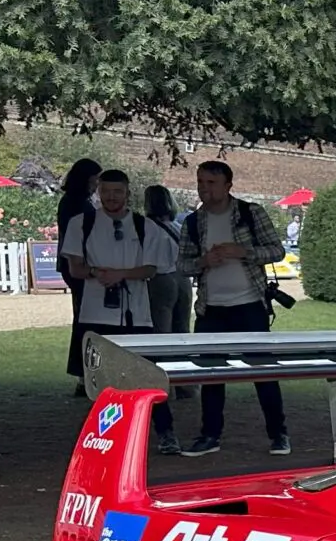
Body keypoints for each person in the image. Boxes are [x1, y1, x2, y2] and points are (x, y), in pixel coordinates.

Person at [64, 170, 185, 453]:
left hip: (137, 314)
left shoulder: (145, 227)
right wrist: (97, 273)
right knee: (101, 382)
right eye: (106, 191)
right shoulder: (81, 224)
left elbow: (151, 269)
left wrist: (120, 275)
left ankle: (165, 433)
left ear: (127, 193)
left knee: (147, 376)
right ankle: (107, 438)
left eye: (117, 192)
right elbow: (75, 268)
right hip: (95, 315)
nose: (111, 197)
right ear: (99, 192)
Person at [177, 160, 290, 456]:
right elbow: (182, 265)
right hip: (211, 309)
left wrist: (243, 252)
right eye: (201, 182)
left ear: (228, 186)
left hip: (250, 305)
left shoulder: (250, 213)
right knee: (211, 375)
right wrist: (203, 262)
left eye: (211, 183)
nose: (204, 189)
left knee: (263, 373)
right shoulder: (193, 222)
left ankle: (278, 434)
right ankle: (210, 435)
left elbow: (277, 250)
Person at [56, 158, 101, 392]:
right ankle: (84, 373)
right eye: (94, 181)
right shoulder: (76, 204)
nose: (96, 186)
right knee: (86, 319)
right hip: (79, 264)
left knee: (84, 318)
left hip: (73, 264)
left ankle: (84, 374)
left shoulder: (74, 202)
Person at [142, 184, 189, 333]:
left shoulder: (147, 227)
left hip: (160, 278)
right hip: (182, 278)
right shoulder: (178, 227)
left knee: (161, 327)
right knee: (182, 327)